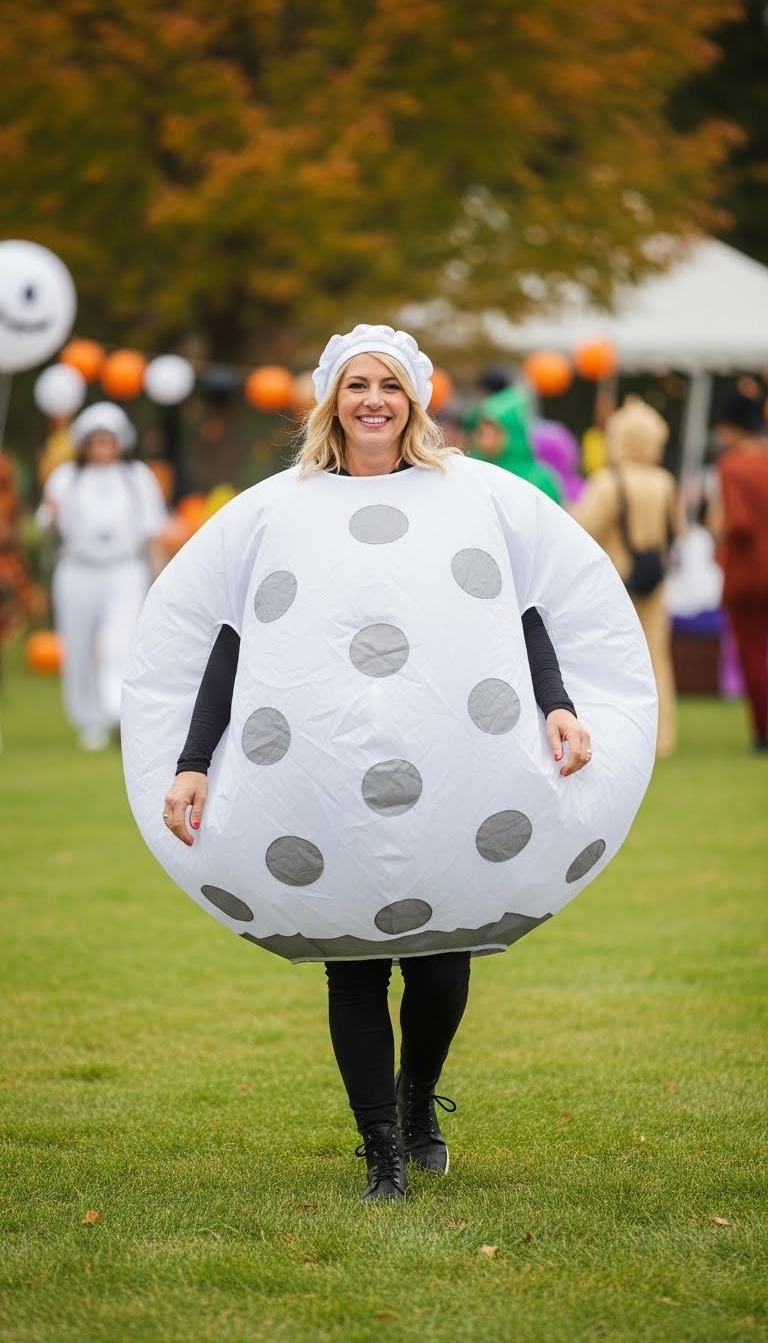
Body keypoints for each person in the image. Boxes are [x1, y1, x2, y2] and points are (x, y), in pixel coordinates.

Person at [123, 325, 656, 1205]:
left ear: (416, 401)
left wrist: (559, 705)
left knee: (444, 960)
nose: (375, 399)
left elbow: (523, 614)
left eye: (392, 385)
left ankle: (417, 1104)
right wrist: (191, 761)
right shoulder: (279, 510)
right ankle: (381, 1151)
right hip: (326, 777)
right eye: (359, 384)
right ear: (332, 400)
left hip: (455, 772)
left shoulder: (467, 497)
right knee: (355, 963)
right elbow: (231, 639)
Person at [37, 402, 167, 750]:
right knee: (77, 646)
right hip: (77, 570)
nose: (101, 448)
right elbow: (47, 524)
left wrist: (159, 575)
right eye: (95, 440)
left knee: (117, 643)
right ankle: (88, 720)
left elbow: (153, 529)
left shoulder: (138, 476)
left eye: (108, 440)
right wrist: (50, 514)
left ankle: (117, 710)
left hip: (124, 569)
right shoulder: (66, 477)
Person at [570, 396, 684, 757]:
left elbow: (579, 530)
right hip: (656, 584)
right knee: (657, 660)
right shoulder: (665, 482)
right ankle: (662, 737)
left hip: (614, 584)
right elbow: (677, 531)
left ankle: (621, 734)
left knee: (613, 663)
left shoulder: (607, 482)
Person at [708, 391, 768, 751]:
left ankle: (763, 730)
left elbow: (740, 523)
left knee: (752, 653)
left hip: (747, 571)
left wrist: (719, 534)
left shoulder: (732, 465)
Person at [470, 385, 564, 504]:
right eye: (482, 432)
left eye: (494, 433)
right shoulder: (474, 471)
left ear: (512, 433)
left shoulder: (539, 479)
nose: (486, 440)